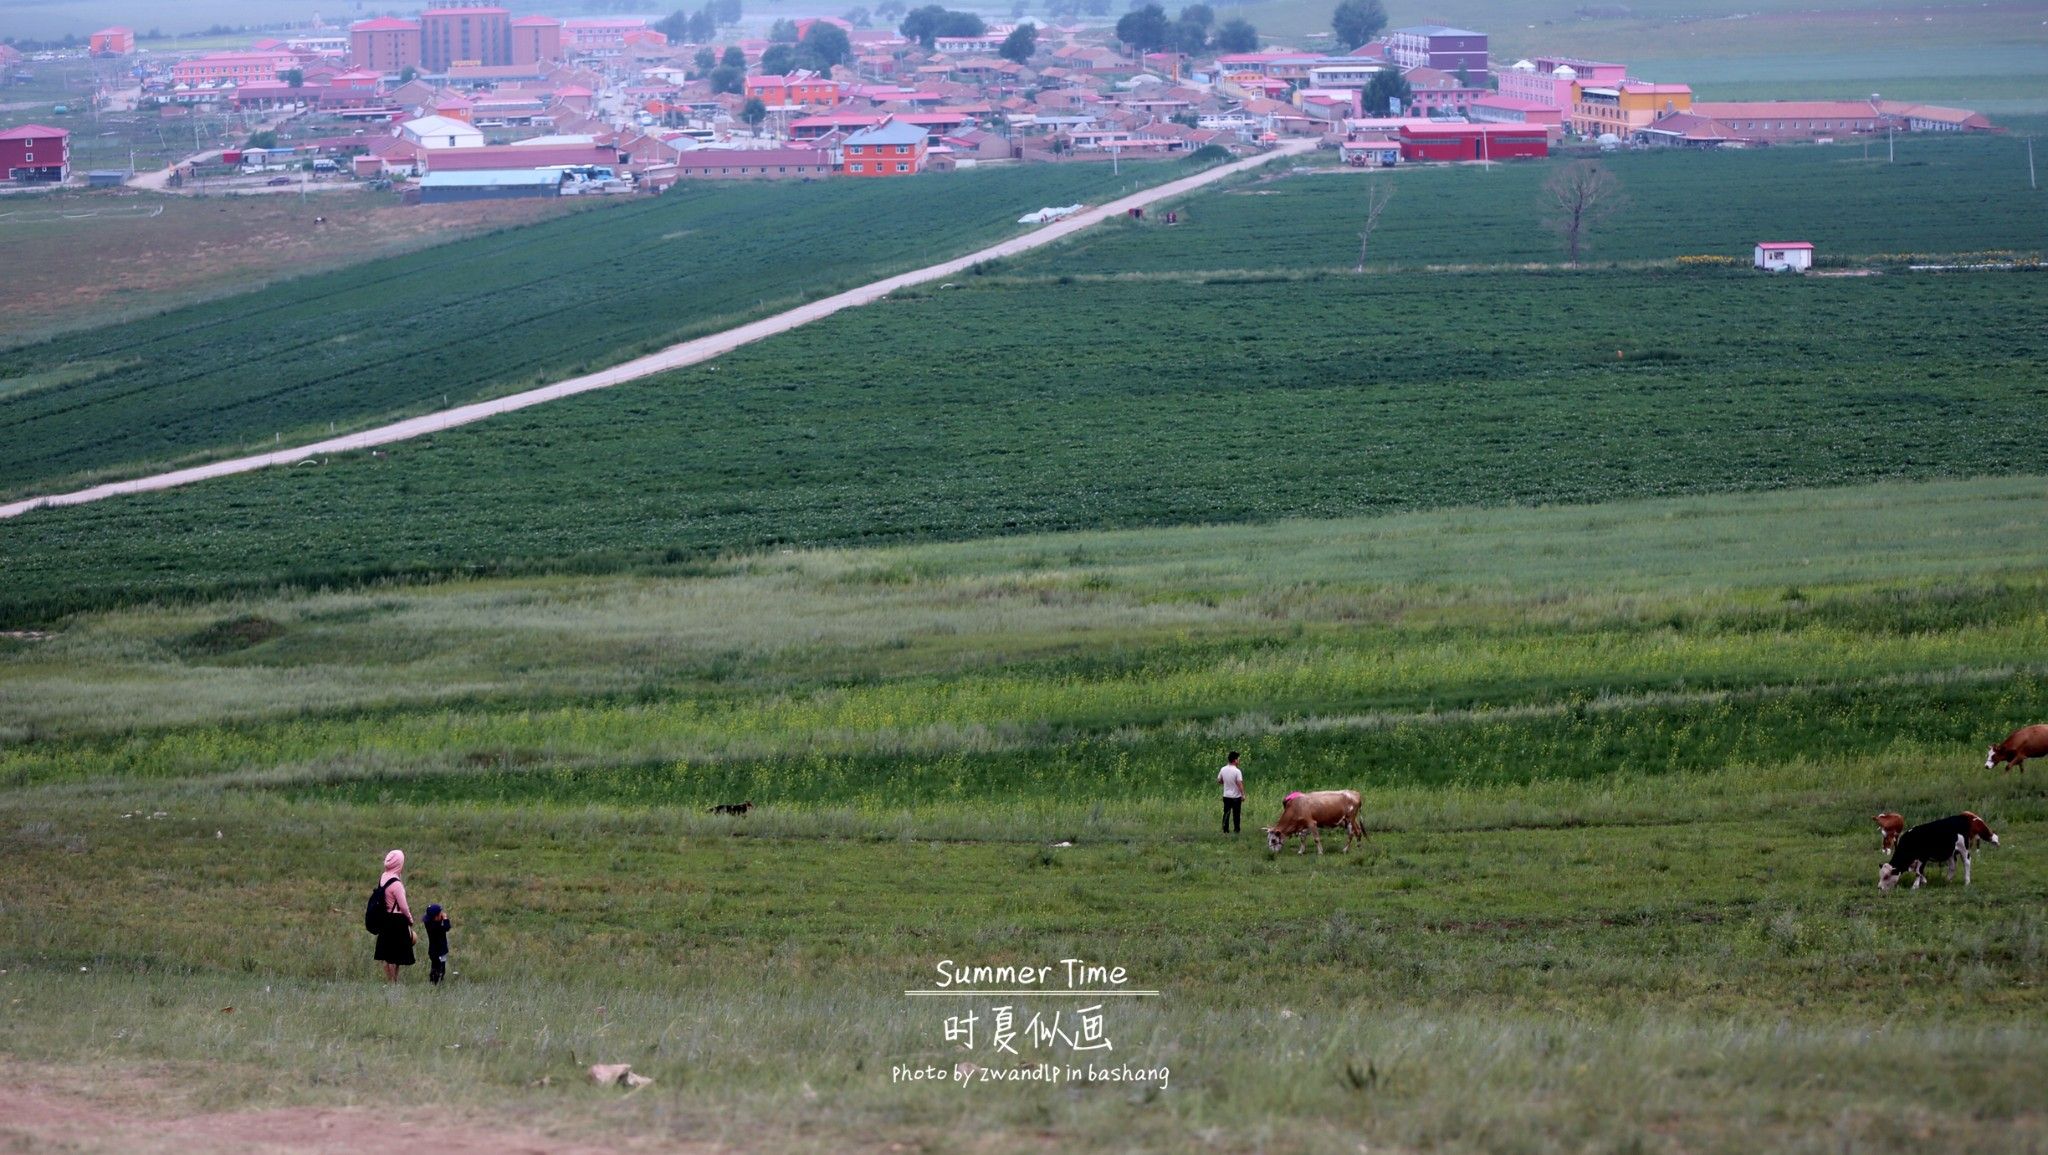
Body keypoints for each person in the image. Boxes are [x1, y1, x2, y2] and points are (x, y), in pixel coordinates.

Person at [373, 849, 415, 982]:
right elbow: (403, 906)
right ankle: (393, 981)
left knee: (386, 954)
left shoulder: (383, 877)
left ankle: (390, 981)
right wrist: (410, 918)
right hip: (397, 921)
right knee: (396, 956)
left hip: (385, 919)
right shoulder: (396, 884)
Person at [424, 903, 452, 985]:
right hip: (440, 950)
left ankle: (433, 980)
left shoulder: (428, 923)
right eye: (440, 913)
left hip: (432, 950)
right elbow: (447, 927)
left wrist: (441, 919)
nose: (442, 914)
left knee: (434, 965)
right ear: (436, 917)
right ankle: (437, 981)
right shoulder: (437, 927)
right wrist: (445, 919)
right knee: (440, 967)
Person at [1217, 751, 1245, 834]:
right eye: (1238, 759)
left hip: (1226, 795)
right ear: (1235, 760)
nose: (1239, 761)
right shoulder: (1237, 771)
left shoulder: (1223, 769)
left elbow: (1219, 780)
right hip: (1236, 797)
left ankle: (1225, 830)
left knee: (1226, 813)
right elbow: (1239, 783)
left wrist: (1225, 782)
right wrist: (1243, 794)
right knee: (1236, 814)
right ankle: (1236, 830)